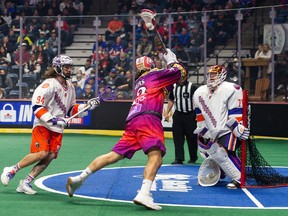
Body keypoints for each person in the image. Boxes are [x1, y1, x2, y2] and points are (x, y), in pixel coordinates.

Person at [65, 49, 187, 210]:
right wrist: (172, 60)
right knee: (156, 157)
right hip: (148, 118)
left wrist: (170, 69)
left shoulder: (139, 82)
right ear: (151, 67)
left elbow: (169, 87)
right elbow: (181, 73)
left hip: (133, 120)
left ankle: (79, 179)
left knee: (113, 155)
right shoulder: (154, 75)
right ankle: (144, 194)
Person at [0, 55, 100, 194]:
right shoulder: (48, 84)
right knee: (41, 153)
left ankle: (26, 182)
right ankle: (11, 170)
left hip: (58, 129)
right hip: (44, 125)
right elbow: (37, 106)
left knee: (50, 155)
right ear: (58, 68)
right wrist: (53, 119)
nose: (69, 70)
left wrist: (86, 106)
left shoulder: (70, 86)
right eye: (66, 67)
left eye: (70, 67)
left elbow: (71, 109)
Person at [193, 65, 250, 189]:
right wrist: (202, 129)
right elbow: (200, 115)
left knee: (220, 153)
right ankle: (222, 172)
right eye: (210, 75)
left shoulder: (232, 89)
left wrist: (237, 127)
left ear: (223, 75)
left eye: (215, 74)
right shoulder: (199, 92)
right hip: (210, 129)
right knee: (204, 151)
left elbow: (236, 111)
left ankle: (239, 178)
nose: (212, 77)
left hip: (227, 129)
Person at [164, 72, 198, 165]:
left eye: (183, 76)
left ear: (186, 76)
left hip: (190, 115)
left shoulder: (192, 87)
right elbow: (171, 100)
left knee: (192, 137)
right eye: (180, 76)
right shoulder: (174, 87)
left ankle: (193, 157)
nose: (181, 78)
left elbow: (198, 101)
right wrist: (167, 112)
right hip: (178, 115)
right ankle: (179, 158)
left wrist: (198, 115)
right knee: (178, 137)